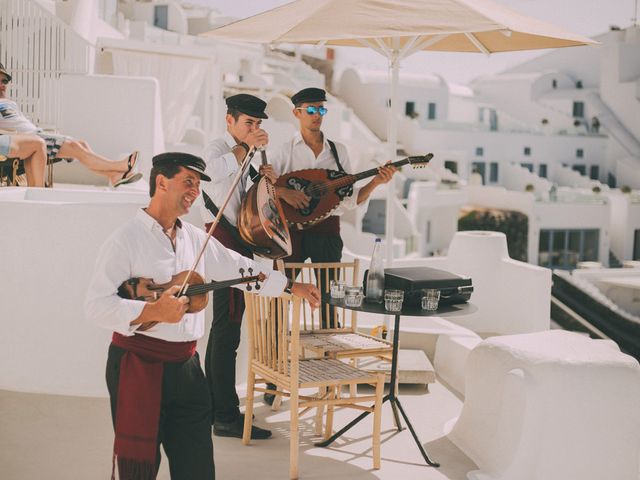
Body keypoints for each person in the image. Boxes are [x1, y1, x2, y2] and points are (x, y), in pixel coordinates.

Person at [85, 152, 320, 480]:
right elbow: (96, 306)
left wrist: (290, 286)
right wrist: (154, 311)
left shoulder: (196, 237)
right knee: (139, 469)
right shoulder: (125, 240)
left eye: (198, 185)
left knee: (197, 467)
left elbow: (241, 268)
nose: (195, 191)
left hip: (187, 369)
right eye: (188, 182)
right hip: (137, 365)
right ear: (162, 183)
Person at [266, 87, 397, 403]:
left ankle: (330, 379)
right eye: (310, 110)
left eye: (321, 110)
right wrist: (286, 194)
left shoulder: (338, 153)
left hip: (326, 229)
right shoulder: (284, 151)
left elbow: (350, 201)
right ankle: (272, 380)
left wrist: (376, 182)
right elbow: (267, 188)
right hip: (291, 232)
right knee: (280, 299)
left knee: (330, 301)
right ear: (297, 113)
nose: (316, 116)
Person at [200, 93, 278, 440]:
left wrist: (263, 177)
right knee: (226, 331)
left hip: (238, 242)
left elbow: (244, 201)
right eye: (249, 123)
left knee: (224, 331)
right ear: (229, 120)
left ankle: (214, 410)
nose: (254, 129)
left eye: (258, 124)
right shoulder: (217, 148)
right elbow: (209, 174)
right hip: (221, 241)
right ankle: (225, 416)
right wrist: (246, 149)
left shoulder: (244, 154)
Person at [0, 63, 141, 187]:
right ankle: (119, 166)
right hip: (27, 139)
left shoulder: (11, 103)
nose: (2, 85)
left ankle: (113, 176)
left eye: (5, 81)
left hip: (38, 134)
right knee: (76, 148)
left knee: (81, 144)